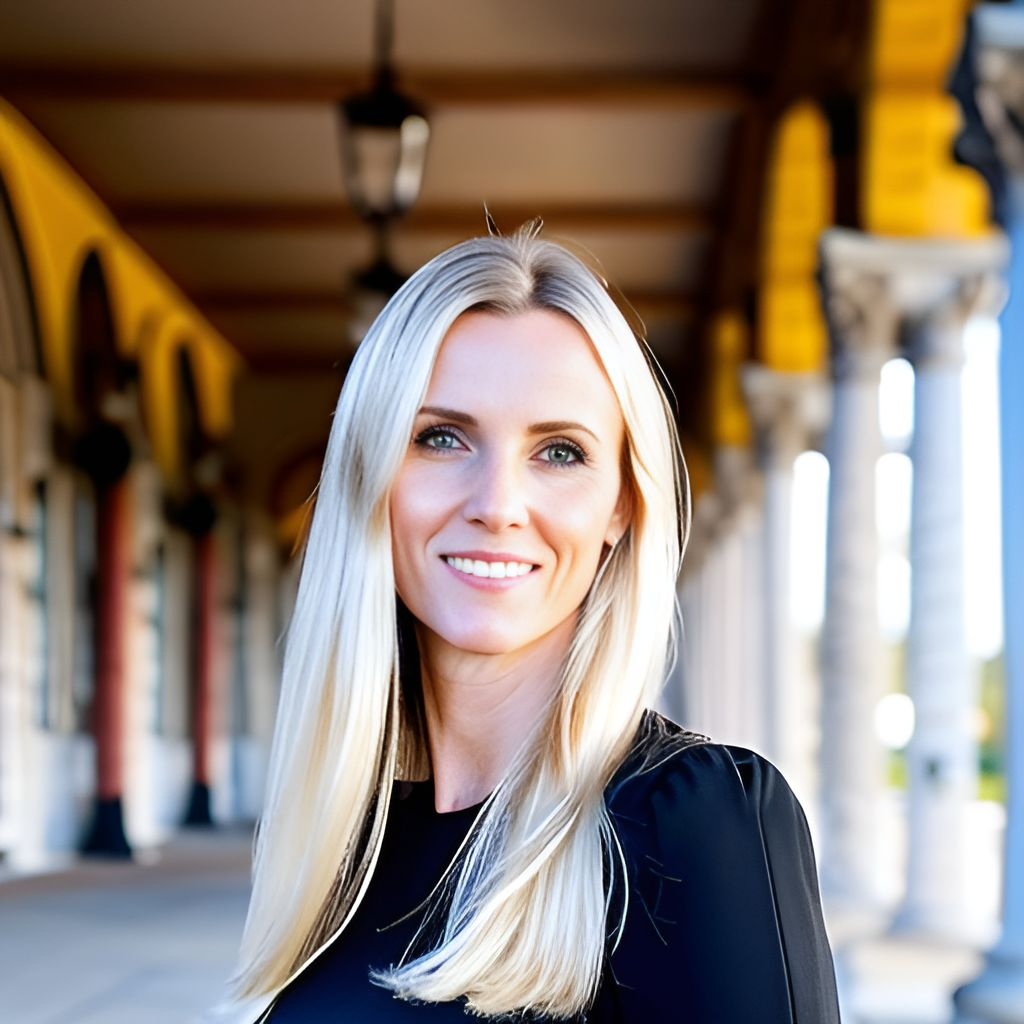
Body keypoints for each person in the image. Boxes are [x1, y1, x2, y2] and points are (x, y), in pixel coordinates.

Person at [210, 226, 841, 1023]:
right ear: (373, 478)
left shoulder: (697, 826)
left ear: (622, 505)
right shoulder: (352, 838)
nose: (497, 504)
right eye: (440, 438)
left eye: (561, 452)